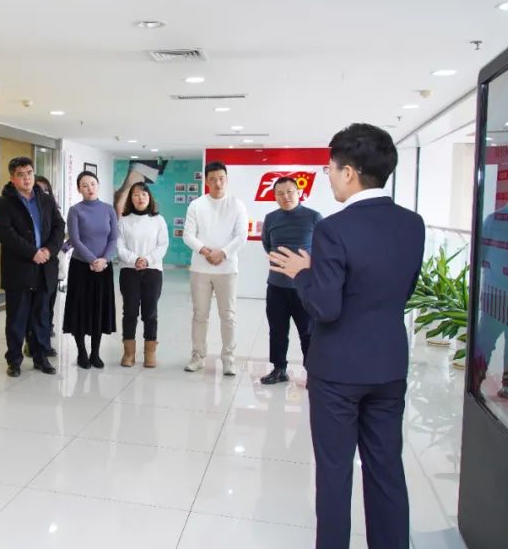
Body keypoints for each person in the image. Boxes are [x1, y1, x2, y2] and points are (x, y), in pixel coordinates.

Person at [269, 123, 425, 549]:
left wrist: (303, 273)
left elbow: (326, 307)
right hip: (389, 364)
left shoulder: (334, 229)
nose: (330, 177)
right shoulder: (412, 224)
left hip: (338, 370)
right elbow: (402, 290)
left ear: (350, 172)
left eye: (330, 170)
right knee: (386, 469)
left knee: (335, 474)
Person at [0, 157, 64, 377]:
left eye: (29, 173)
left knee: (42, 316)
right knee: (17, 317)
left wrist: (49, 250)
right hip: (19, 268)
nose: (26, 178)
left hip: (45, 267)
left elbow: (59, 226)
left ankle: (41, 357)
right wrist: (32, 252)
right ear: (12, 178)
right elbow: (6, 234)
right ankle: (14, 361)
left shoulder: (46, 200)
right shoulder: (4, 203)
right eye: (21, 174)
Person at [182, 161, 248, 375]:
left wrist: (223, 253)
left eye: (221, 179)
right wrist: (205, 251)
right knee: (199, 314)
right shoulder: (196, 205)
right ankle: (198, 356)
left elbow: (241, 236)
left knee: (228, 316)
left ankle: (228, 359)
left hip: (227, 269)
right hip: (200, 269)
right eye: (213, 179)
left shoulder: (237, 204)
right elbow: (188, 235)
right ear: (206, 181)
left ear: (226, 180)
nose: (218, 183)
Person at [260, 176, 322, 385]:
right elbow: (268, 245)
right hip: (276, 286)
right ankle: (279, 369)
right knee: (277, 330)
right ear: (275, 196)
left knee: (308, 332)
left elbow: (324, 249)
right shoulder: (271, 218)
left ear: (299, 193)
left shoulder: (314, 217)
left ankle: (313, 372)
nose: (285, 196)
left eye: (289, 192)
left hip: (304, 287)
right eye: (280, 193)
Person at [471, 178, 508, 402]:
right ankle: (474, 383)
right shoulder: (494, 220)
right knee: (485, 340)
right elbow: (480, 255)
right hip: (494, 294)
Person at [63, 171, 119, 369]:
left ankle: (95, 353)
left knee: (99, 309)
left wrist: (104, 260)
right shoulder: (75, 211)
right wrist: (92, 260)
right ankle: (82, 352)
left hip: (104, 267)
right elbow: (75, 240)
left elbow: (113, 238)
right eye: (85, 185)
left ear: (98, 185)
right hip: (81, 267)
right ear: (79, 189)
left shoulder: (108, 210)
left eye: (93, 183)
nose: (90, 188)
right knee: (80, 309)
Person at [117, 182, 168, 367]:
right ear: (131, 198)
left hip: (153, 271)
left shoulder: (158, 220)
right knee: (130, 311)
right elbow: (119, 246)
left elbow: (163, 245)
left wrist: (147, 260)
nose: (140, 198)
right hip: (129, 271)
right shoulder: (124, 220)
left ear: (149, 197)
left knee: (150, 312)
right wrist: (135, 259)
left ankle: (150, 353)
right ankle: (129, 353)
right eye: (136, 195)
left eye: (144, 194)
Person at [24, 175, 59, 357]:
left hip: (49, 265)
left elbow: (59, 231)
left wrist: (48, 250)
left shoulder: (51, 207)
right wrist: (34, 253)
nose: (41, 192)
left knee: (47, 308)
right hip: (29, 265)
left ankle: (44, 344)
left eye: (45, 190)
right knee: (31, 309)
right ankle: (31, 343)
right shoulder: (26, 208)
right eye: (38, 189)